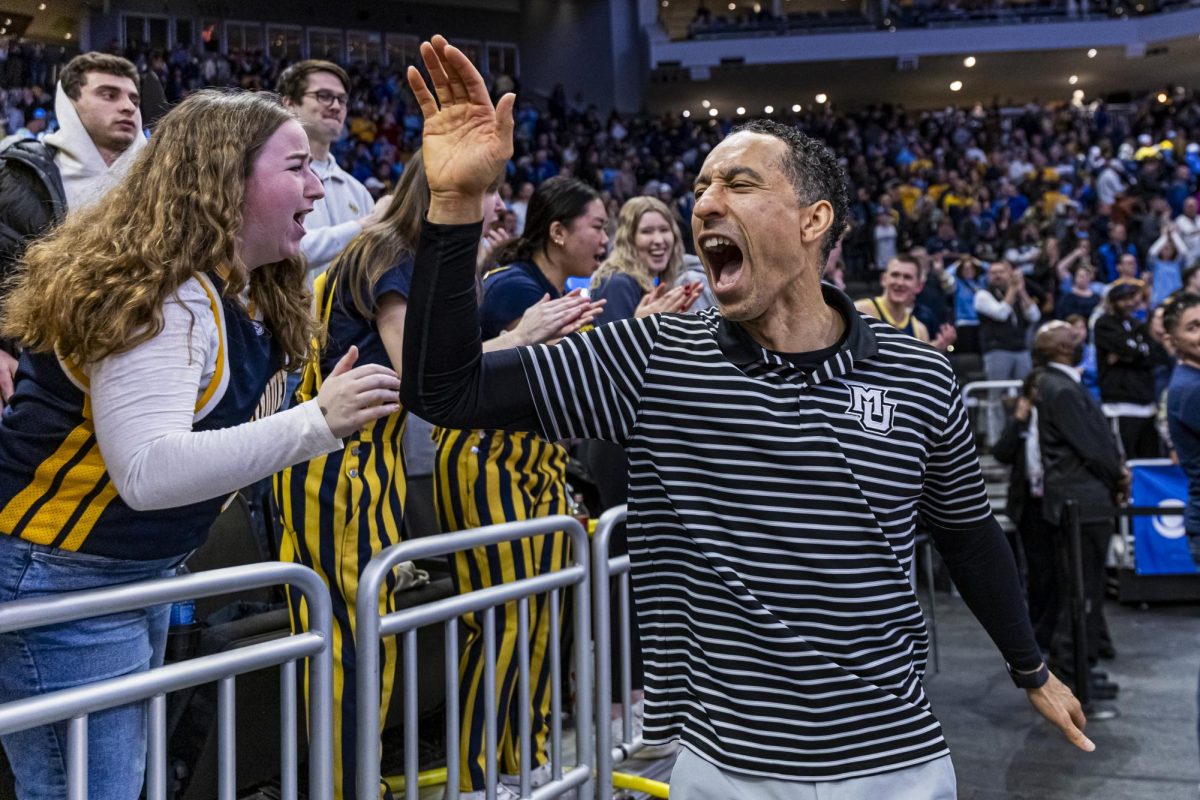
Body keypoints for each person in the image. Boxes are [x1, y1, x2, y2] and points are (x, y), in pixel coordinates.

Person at [402, 36, 1090, 799]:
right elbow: (445, 389)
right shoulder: (653, 356)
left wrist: (1031, 667)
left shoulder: (918, 374)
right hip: (726, 770)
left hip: (899, 767)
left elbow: (967, 532)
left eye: (738, 182)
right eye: (699, 186)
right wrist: (456, 205)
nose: (703, 203)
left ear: (812, 219)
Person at [0, 89, 401, 800]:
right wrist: (317, 423)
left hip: (123, 572)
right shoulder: (166, 294)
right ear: (225, 177)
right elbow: (149, 472)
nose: (318, 187)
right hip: (62, 577)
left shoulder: (228, 287)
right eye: (298, 167)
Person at [433, 174, 607, 799]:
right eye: (597, 226)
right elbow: (483, 375)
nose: (605, 239)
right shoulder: (514, 289)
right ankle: (478, 775)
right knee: (503, 617)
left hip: (528, 460)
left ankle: (524, 757)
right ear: (557, 232)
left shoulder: (550, 289)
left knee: (536, 615)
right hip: (485, 456)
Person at [0, 52, 146, 413]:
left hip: (136, 379)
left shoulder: (161, 187)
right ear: (69, 102)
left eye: (133, 98)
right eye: (109, 95)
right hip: (34, 377)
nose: (127, 106)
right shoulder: (15, 173)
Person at [1033, 321, 1128, 700]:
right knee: (1080, 591)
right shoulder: (1060, 387)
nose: (1071, 331)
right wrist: (1118, 474)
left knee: (1085, 589)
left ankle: (1082, 666)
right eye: (1061, 331)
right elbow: (1092, 445)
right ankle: (1072, 670)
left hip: (1084, 500)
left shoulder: (1062, 383)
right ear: (1055, 348)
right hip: (1080, 501)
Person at [276, 60, 392, 283]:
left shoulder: (358, 191)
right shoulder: (272, 179)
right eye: (324, 95)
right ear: (289, 104)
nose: (336, 106)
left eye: (342, 99)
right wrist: (363, 226)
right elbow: (284, 252)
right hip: (286, 316)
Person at [993, 370, 1059, 653]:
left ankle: (1056, 635)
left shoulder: (1058, 416)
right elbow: (1002, 453)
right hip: (1029, 505)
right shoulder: (1024, 419)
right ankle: (1036, 636)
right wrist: (1019, 419)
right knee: (1037, 574)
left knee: (1059, 574)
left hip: (1055, 501)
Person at [1094, 279, 1162, 458]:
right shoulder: (1104, 323)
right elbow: (1126, 347)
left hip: (1146, 402)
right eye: (1123, 298)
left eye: (1131, 297)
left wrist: (1129, 354)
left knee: (1148, 461)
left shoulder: (1139, 326)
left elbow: (1151, 357)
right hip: (1119, 404)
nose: (1129, 303)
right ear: (1112, 302)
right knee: (1124, 460)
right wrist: (1134, 350)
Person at [855, 254, 954, 349]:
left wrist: (937, 347)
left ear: (919, 286)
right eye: (895, 275)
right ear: (883, 279)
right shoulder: (861, 310)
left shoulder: (920, 330)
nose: (900, 282)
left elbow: (916, 364)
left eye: (907, 277)